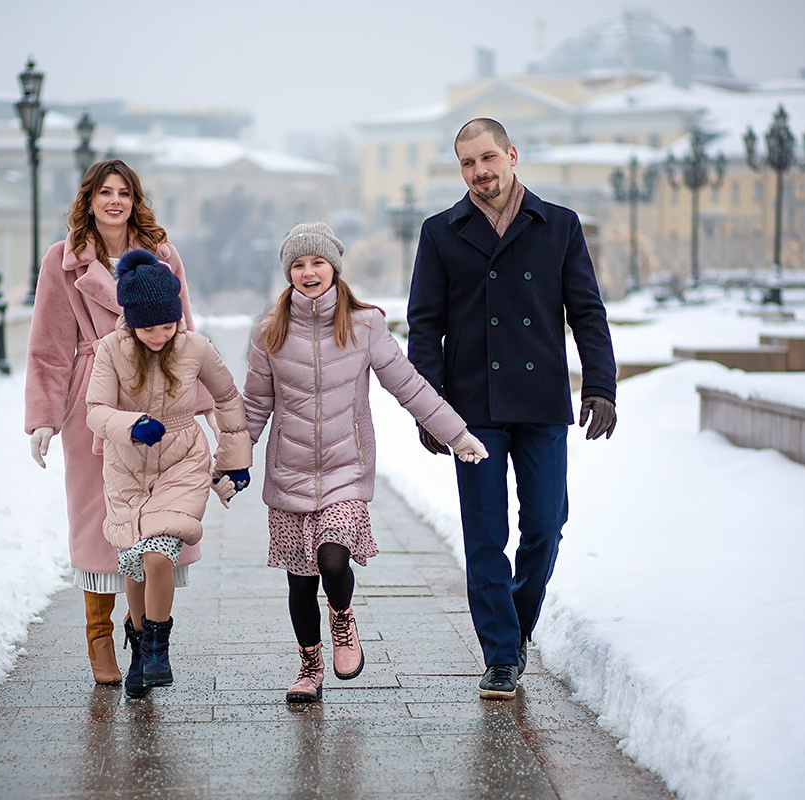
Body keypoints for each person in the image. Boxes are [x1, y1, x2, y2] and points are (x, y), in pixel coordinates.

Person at [407, 118, 618, 700]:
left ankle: (517, 626)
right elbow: (424, 326)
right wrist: (429, 407)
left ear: (512, 155)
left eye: (488, 158)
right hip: (471, 408)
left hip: (542, 400)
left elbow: (587, 312)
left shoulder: (559, 226)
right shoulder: (440, 232)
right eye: (468, 163)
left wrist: (600, 385)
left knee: (546, 526)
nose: (480, 172)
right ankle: (500, 656)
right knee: (484, 534)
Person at [243, 222, 489, 704]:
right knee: (300, 581)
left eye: (317, 262)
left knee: (332, 559)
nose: (308, 272)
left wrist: (456, 434)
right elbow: (254, 405)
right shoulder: (269, 330)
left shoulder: (364, 325)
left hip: (345, 470)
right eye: (298, 264)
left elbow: (409, 385)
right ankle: (309, 667)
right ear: (288, 272)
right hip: (289, 472)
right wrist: (231, 464)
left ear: (334, 267)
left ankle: (342, 616)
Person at [24, 159, 212, 686]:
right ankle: (98, 633)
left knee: (154, 521)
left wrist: (202, 406)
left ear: (135, 200)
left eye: (124, 192)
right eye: (105, 192)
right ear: (89, 199)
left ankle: (141, 632)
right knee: (97, 521)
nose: (114, 201)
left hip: (159, 399)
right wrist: (44, 417)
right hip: (96, 404)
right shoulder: (62, 261)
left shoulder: (162, 254)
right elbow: (48, 347)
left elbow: (185, 332)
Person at [86, 249, 251, 697]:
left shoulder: (195, 346)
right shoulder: (110, 350)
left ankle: (158, 648)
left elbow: (227, 398)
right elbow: (95, 410)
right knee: (135, 561)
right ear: (131, 320)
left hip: (181, 460)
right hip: (127, 466)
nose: (160, 336)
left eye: (167, 326)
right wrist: (131, 425)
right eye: (149, 328)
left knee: (158, 554)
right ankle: (140, 647)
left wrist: (234, 459)